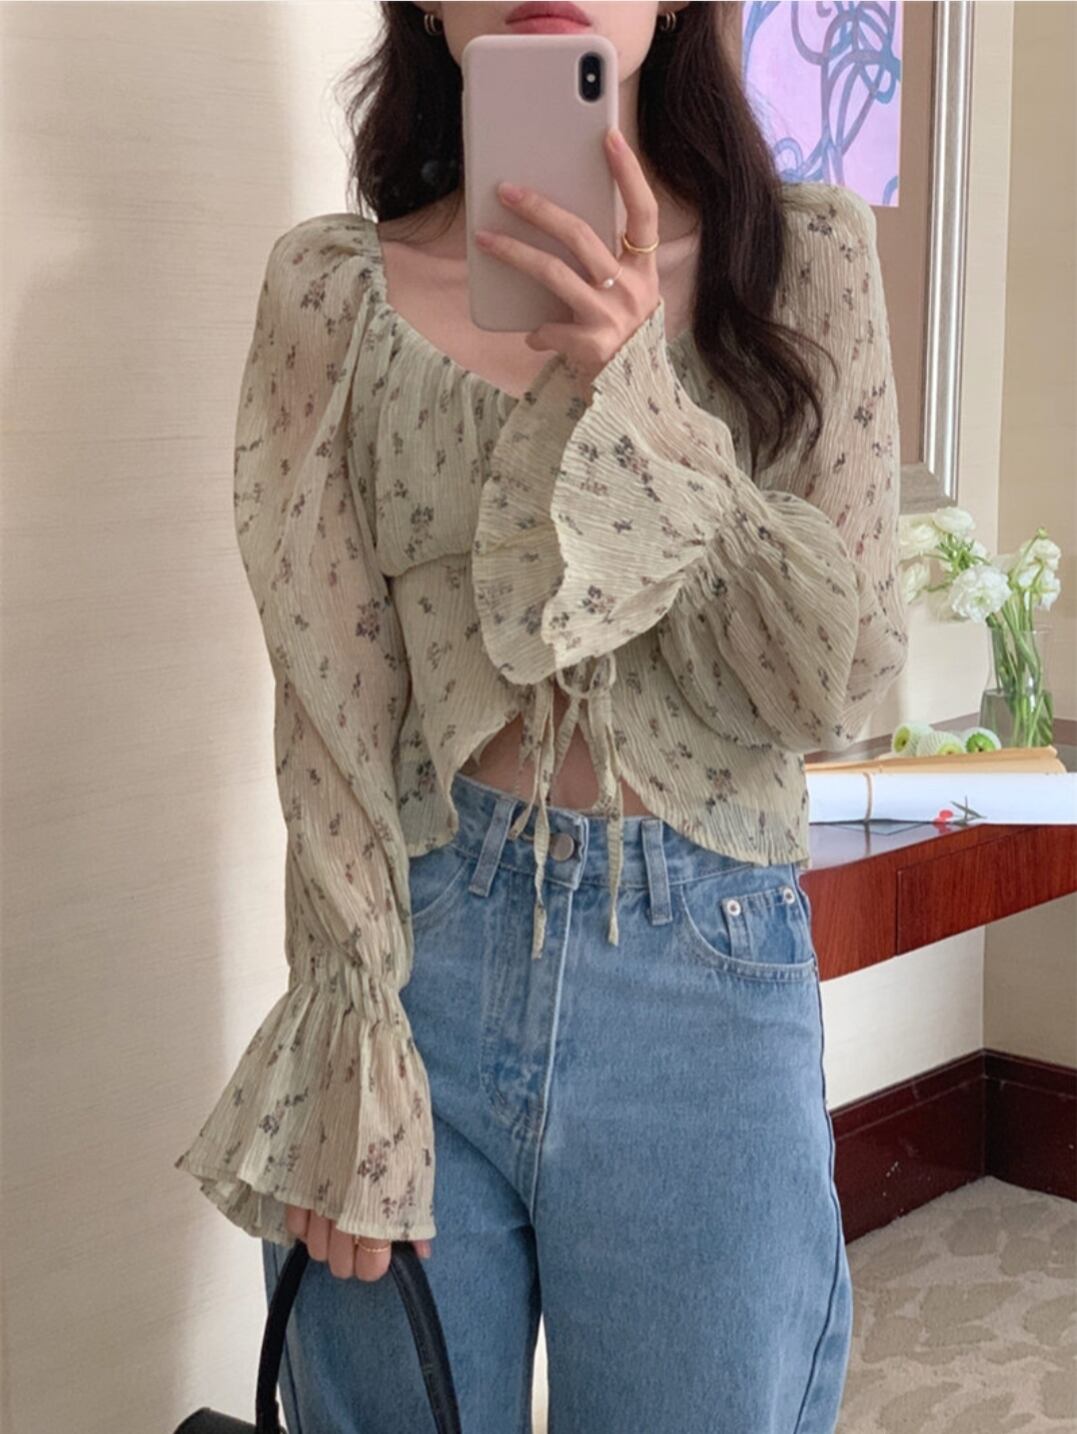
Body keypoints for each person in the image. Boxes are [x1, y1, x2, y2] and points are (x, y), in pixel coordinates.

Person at [174, 2, 908, 1429]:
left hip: (700, 983)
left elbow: (841, 683)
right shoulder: (332, 298)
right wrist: (347, 1041)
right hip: (413, 964)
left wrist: (641, 396)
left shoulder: (801, 261)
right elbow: (327, 711)